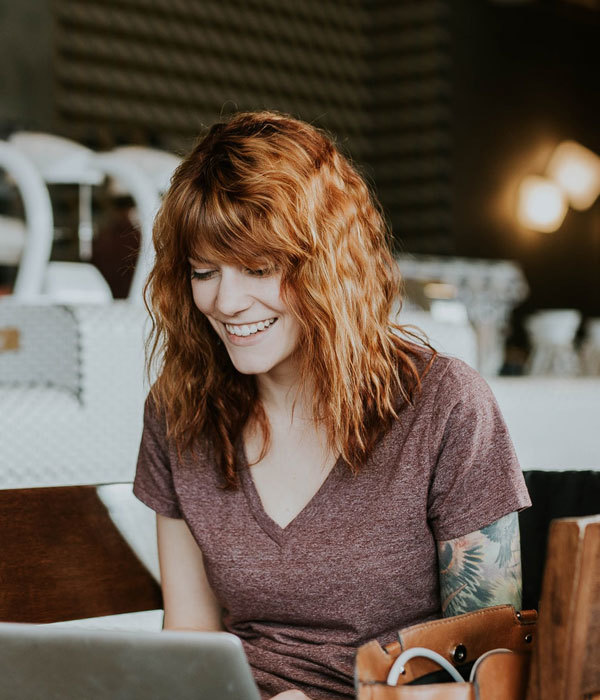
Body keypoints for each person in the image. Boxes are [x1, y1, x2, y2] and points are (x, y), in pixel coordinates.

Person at [132, 111, 530, 700]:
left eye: (260, 268)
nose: (227, 301)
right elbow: (188, 643)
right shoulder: (180, 412)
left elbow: (495, 674)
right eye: (204, 272)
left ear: (328, 266)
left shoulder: (445, 406)